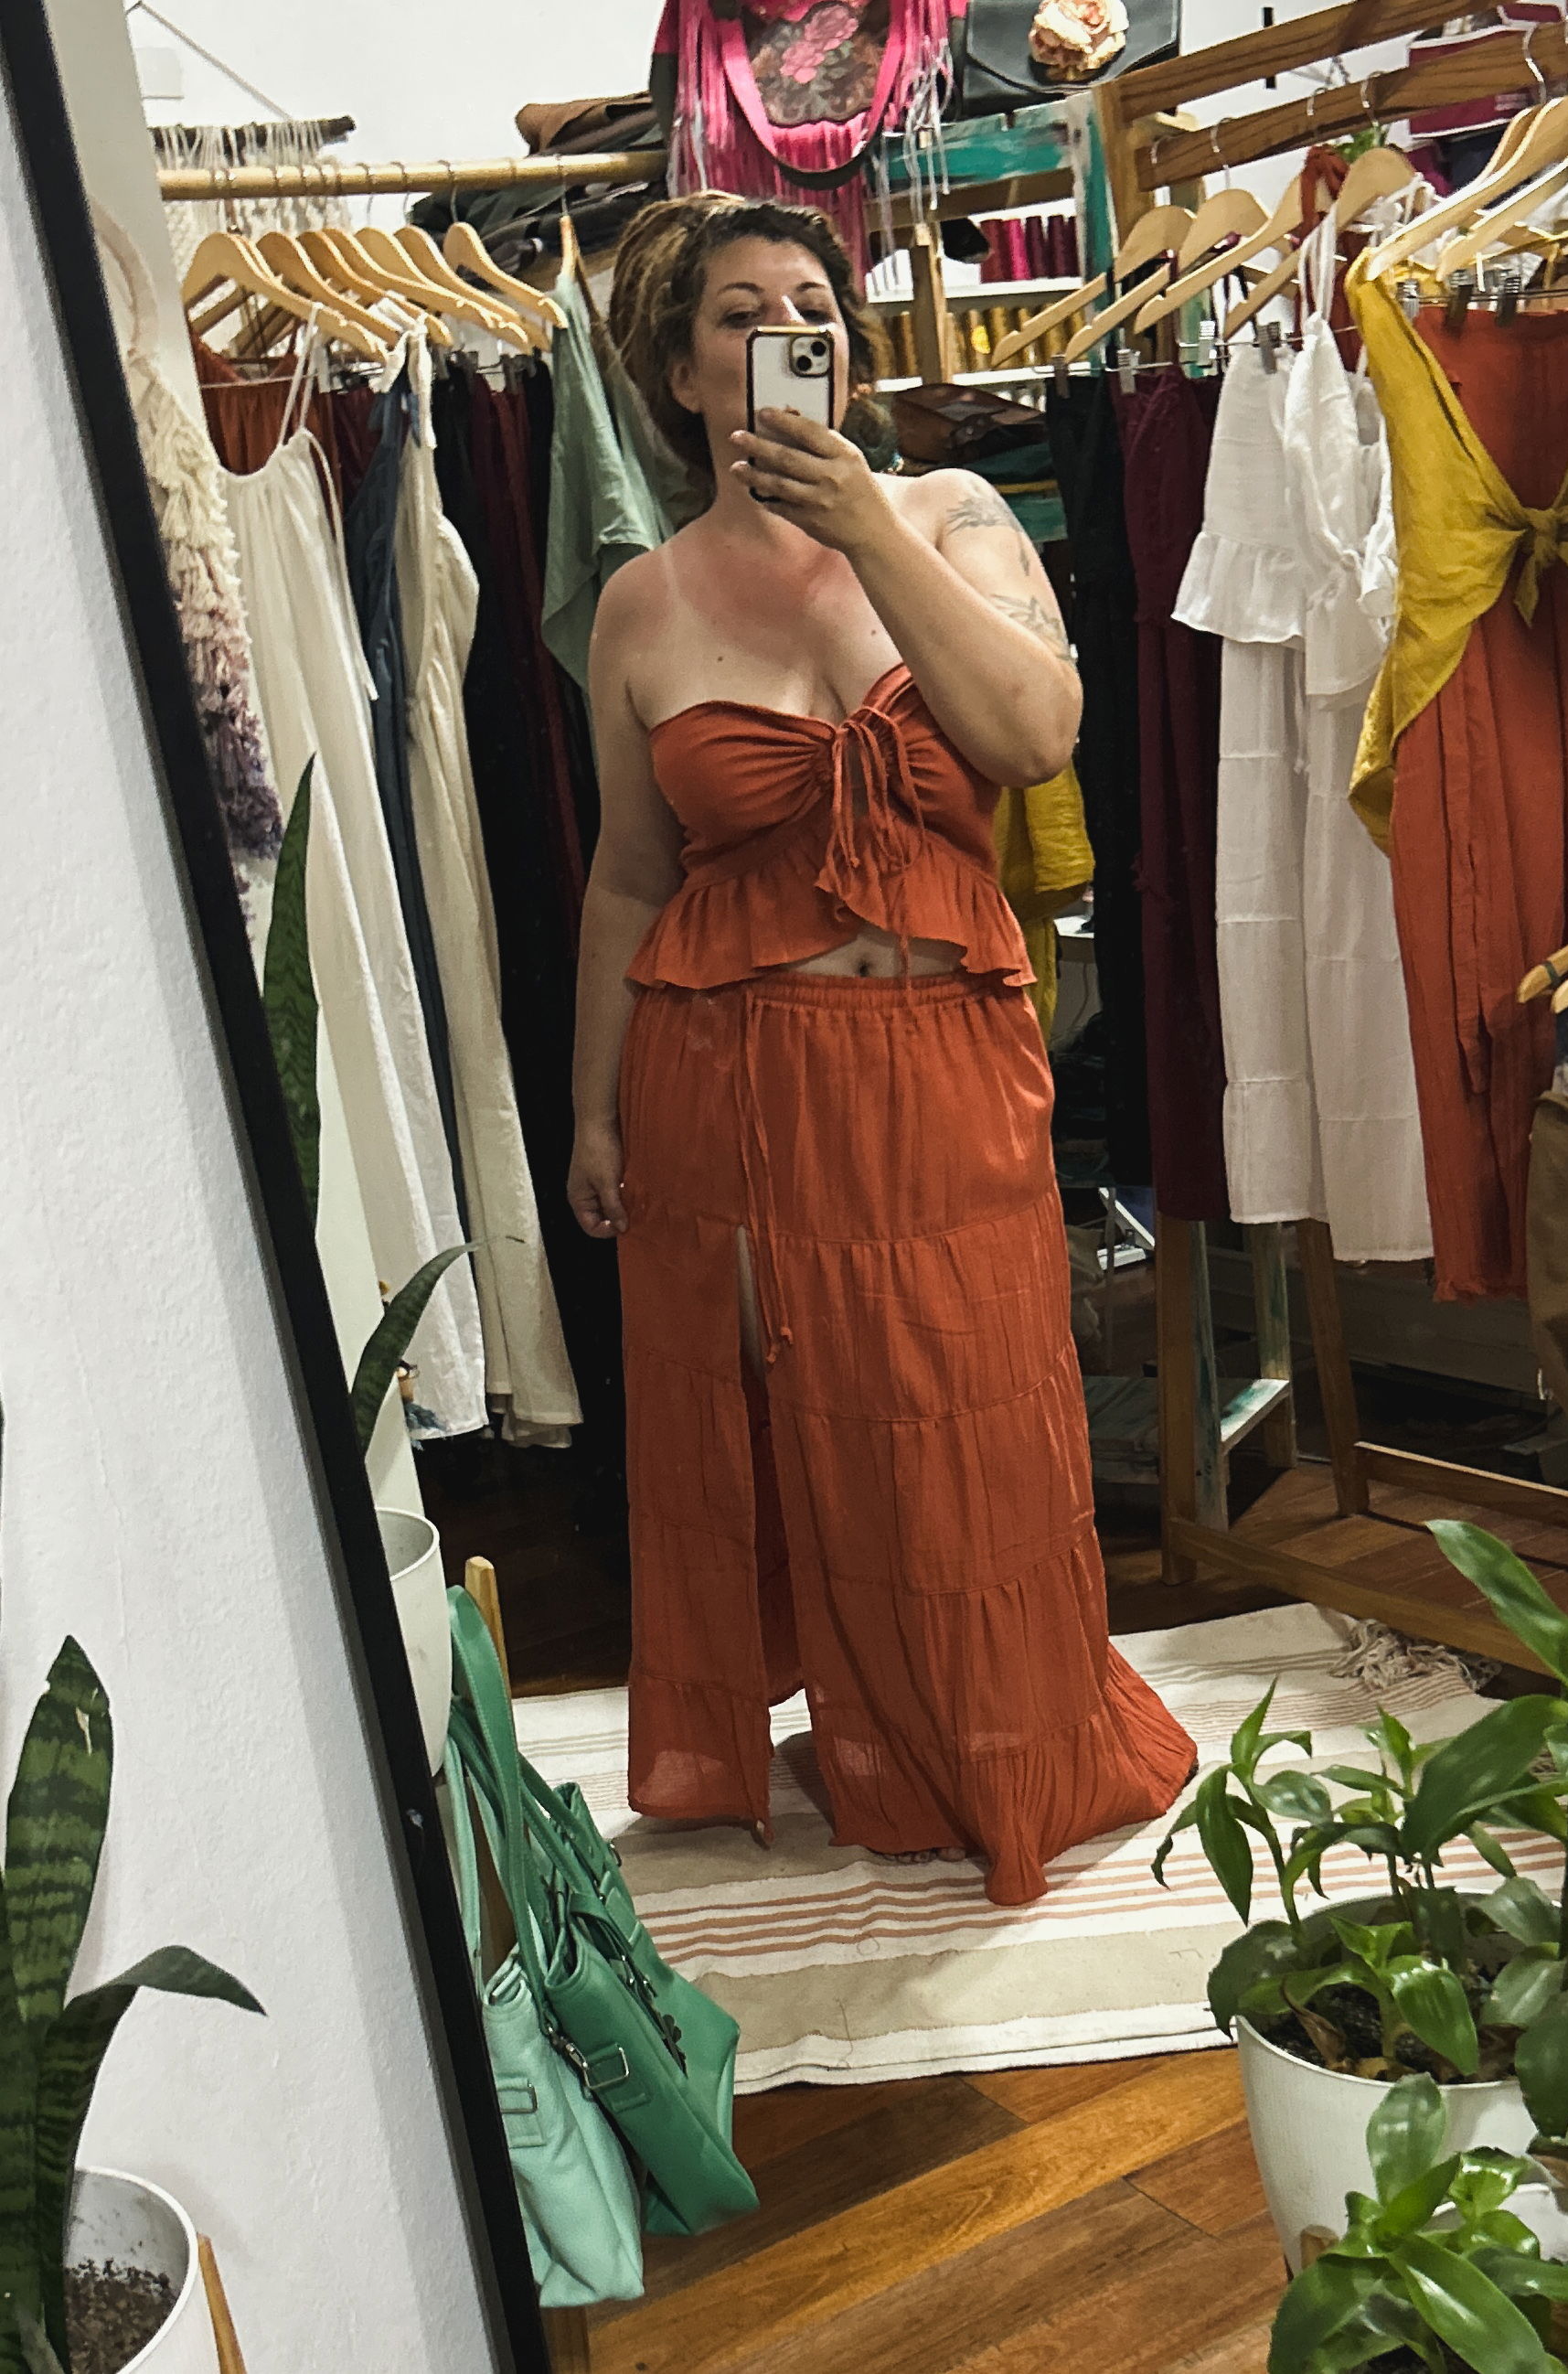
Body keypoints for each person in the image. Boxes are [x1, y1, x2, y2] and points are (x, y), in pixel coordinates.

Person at [569, 192, 1194, 1906]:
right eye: (743, 313)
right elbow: (628, 876)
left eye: (815, 306)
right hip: (731, 1076)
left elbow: (1036, 732)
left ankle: (1008, 1734)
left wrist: (866, 525)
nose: (795, 332)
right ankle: (871, 1742)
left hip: (940, 1058)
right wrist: (592, 1111)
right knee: (815, 1427)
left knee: (970, 1408)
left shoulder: (953, 515)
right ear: (681, 373)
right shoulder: (640, 604)